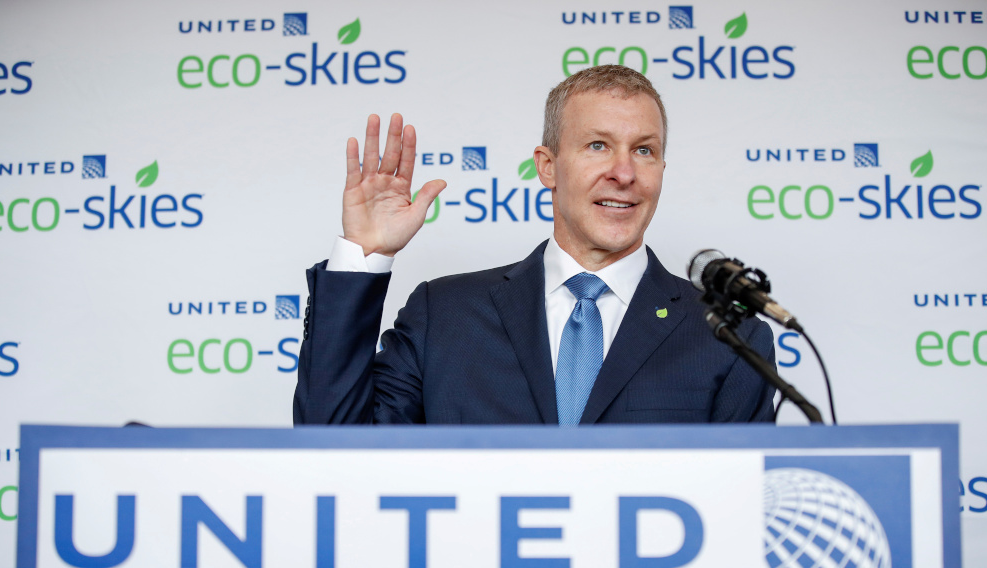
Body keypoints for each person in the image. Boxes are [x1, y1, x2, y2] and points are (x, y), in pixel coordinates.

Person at [293, 64, 775, 426]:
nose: (624, 174)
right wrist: (363, 256)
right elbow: (333, 446)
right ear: (547, 166)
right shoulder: (444, 315)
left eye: (644, 150)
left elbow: (745, 509)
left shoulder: (728, 337)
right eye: (598, 146)